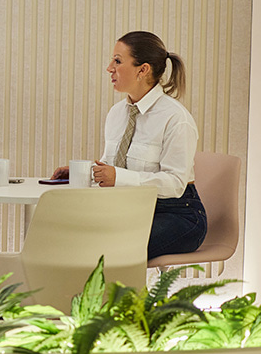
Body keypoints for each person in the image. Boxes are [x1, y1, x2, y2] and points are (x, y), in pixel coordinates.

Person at [52, 31, 207, 259]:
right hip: (128, 209)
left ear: (142, 70)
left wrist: (118, 177)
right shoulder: (117, 113)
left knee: (107, 250)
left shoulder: (176, 118)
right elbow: (113, 166)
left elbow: (175, 184)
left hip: (177, 214)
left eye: (117, 61)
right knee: (64, 238)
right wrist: (88, 172)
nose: (109, 68)